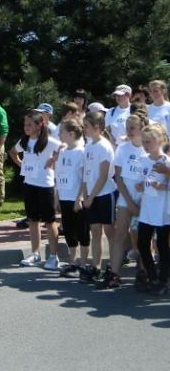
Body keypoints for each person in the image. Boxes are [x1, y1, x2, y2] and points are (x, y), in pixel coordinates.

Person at [97, 114, 147, 289]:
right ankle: (114, 274)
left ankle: (143, 271)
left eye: (132, 127)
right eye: (127, 127)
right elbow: (118, 177)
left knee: (143, 237)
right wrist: (130, 202)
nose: (129, 131)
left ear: (142, 128)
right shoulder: (123, 149)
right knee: (120, 235)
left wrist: (141, 200)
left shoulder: (149, 148)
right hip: (126, 198)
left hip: (146, 199)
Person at [9, 110, 61, 269]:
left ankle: (53, 256)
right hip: (29, 184)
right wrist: (22, 164)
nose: (26, 127)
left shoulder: (49, 141)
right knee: (33, 220)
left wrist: (53, 159)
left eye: (30, 124)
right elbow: (13, 152)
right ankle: (35, 254)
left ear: (39, 125)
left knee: (50, 221)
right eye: (25, 124)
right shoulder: (24, 141)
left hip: (46, 185)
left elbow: (64, 147)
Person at [79, 111, 117, 282]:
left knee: (109, 232)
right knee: (95, 232)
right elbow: (86, 173)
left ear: (96, 127)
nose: (84, 129)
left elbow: (103, 176)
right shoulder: (88, 145)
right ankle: (96, 267)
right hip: (91, 196)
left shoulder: (104, 146)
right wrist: (85, 195)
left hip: (105, 194)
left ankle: (114, 267)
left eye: (86, 126)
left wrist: (91, 197)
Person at [135, 123, 170, 295]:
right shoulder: (144, 160)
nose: (145, 145)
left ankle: (163, 280)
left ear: (160, 140)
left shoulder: (166, 161)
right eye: (144, 141)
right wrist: (141, 186)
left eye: (148, 141)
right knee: (142, 244)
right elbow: (144, 180)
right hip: (147, 209)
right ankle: (152, 276)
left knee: (162, 246)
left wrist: (163, 186)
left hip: (163, 210)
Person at [55, 119, 89, 278]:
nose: (59, 134)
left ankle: (83, 263)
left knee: (82, 230)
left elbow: (84, 178)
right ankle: (73, 261)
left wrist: (79, 198)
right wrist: (57, 196)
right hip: (64, 197)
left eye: (61, 131)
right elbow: (59, 175)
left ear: (71, 133)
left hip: (76, 198)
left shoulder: (81, 152)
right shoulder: (62, 151)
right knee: (69, 230)